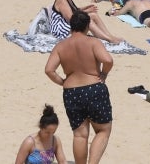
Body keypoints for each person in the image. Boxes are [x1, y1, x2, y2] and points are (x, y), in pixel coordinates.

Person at [43, 10, 113, 164]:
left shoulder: (61, 46)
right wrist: (104, 74)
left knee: (80, 135)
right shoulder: (93, 42)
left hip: (71, 91)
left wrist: (62, 81)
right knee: (102, 130)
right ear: (87, 26)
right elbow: (107, 60)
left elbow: (49, 70)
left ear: (71, 26)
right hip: (94, 88)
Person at [51, 0, 121, 44]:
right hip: (61, 30)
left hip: (67, 24)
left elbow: (73, 10)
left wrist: (85, 8)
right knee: (87, 19)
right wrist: (86, 11)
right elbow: (72, 18)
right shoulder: (62, 0)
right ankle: (109, 39)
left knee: (93, 15)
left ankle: (109, 36)